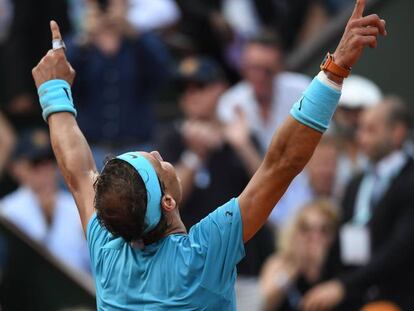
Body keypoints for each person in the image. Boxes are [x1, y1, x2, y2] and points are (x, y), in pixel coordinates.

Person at [31, 1, 386, 308]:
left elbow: (78, 173)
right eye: (157, 164)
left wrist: (52, 91)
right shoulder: (202, 255)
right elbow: (281, 162)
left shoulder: (108, 253)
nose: (158, 153)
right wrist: (336, 69)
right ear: (168, 202)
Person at [156, 56, 274, 310]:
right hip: (188, 271)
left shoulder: (240, 135)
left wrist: (241, 146)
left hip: (239, 269)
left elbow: (270, 188)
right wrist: (195, 155)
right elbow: (167, 200)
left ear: (219, 89)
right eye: (185, 89)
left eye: (199, 87)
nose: (191, 95)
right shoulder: (171, 139)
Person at [301, 97, 414, 311]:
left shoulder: (409, 181)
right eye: (360, 130)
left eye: (371, 130)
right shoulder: (356, 182)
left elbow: (400, 249)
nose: (362, 138)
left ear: (397, 132)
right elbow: (343, 238)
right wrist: (321, 280)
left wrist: (342, 285)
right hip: (356, 296)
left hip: (398, 297)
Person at [66, 0, 171, 167]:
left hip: (137, 150)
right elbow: (64, 79)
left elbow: (162, 75)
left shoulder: (141, 40)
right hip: (91, 149)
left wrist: (131, 31)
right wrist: (85, 37)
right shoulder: (80, 42)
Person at [0, 129, 90, 273]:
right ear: (17, 169)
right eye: (36, 164)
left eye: (49, 162)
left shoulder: (77, 207)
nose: (46, 170)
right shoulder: (6, 211)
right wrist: (47, 217)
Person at [260, 199, 339, 311]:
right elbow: (264, 303)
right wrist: (295, 267)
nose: (314, 237)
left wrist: (317, 271)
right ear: (294, 231)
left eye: (324, 230)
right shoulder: (279, 263)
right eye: (305, 228)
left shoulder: (337, 269)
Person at [332, 75, 383, 198]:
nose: (351, 119)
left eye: (358, 112)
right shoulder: (322, 149)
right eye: (345, 110)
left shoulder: (387, 152)